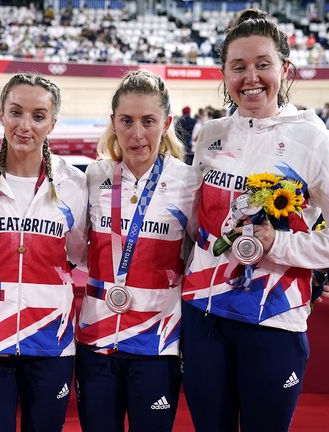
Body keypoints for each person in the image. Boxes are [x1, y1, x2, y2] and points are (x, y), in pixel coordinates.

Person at [181, 8, 329, 432]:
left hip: (272, 317)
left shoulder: (313, 137)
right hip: (202, 312)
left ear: (285, 69)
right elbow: (193, 221)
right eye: (239, 67)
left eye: (262, 65)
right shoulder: (210, 134)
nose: (251, 77)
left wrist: (285, 247)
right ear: (224, 74)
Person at [0, 73, 88, 432]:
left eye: (38, 116)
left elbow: (76, 252)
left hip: (51, 339)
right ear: (1, 114)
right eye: (16, 112)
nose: (25, 126)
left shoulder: (73, 183)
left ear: (53, 123)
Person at [75, 70, 198, 432]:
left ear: (167, 123)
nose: (137, 134)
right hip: (96, 337)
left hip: (157, 343)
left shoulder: (188, 182)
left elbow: (197, 257)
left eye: (148, 121)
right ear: (113, 122)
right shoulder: (94, 176)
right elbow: (79, 249)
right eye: (126, 121)